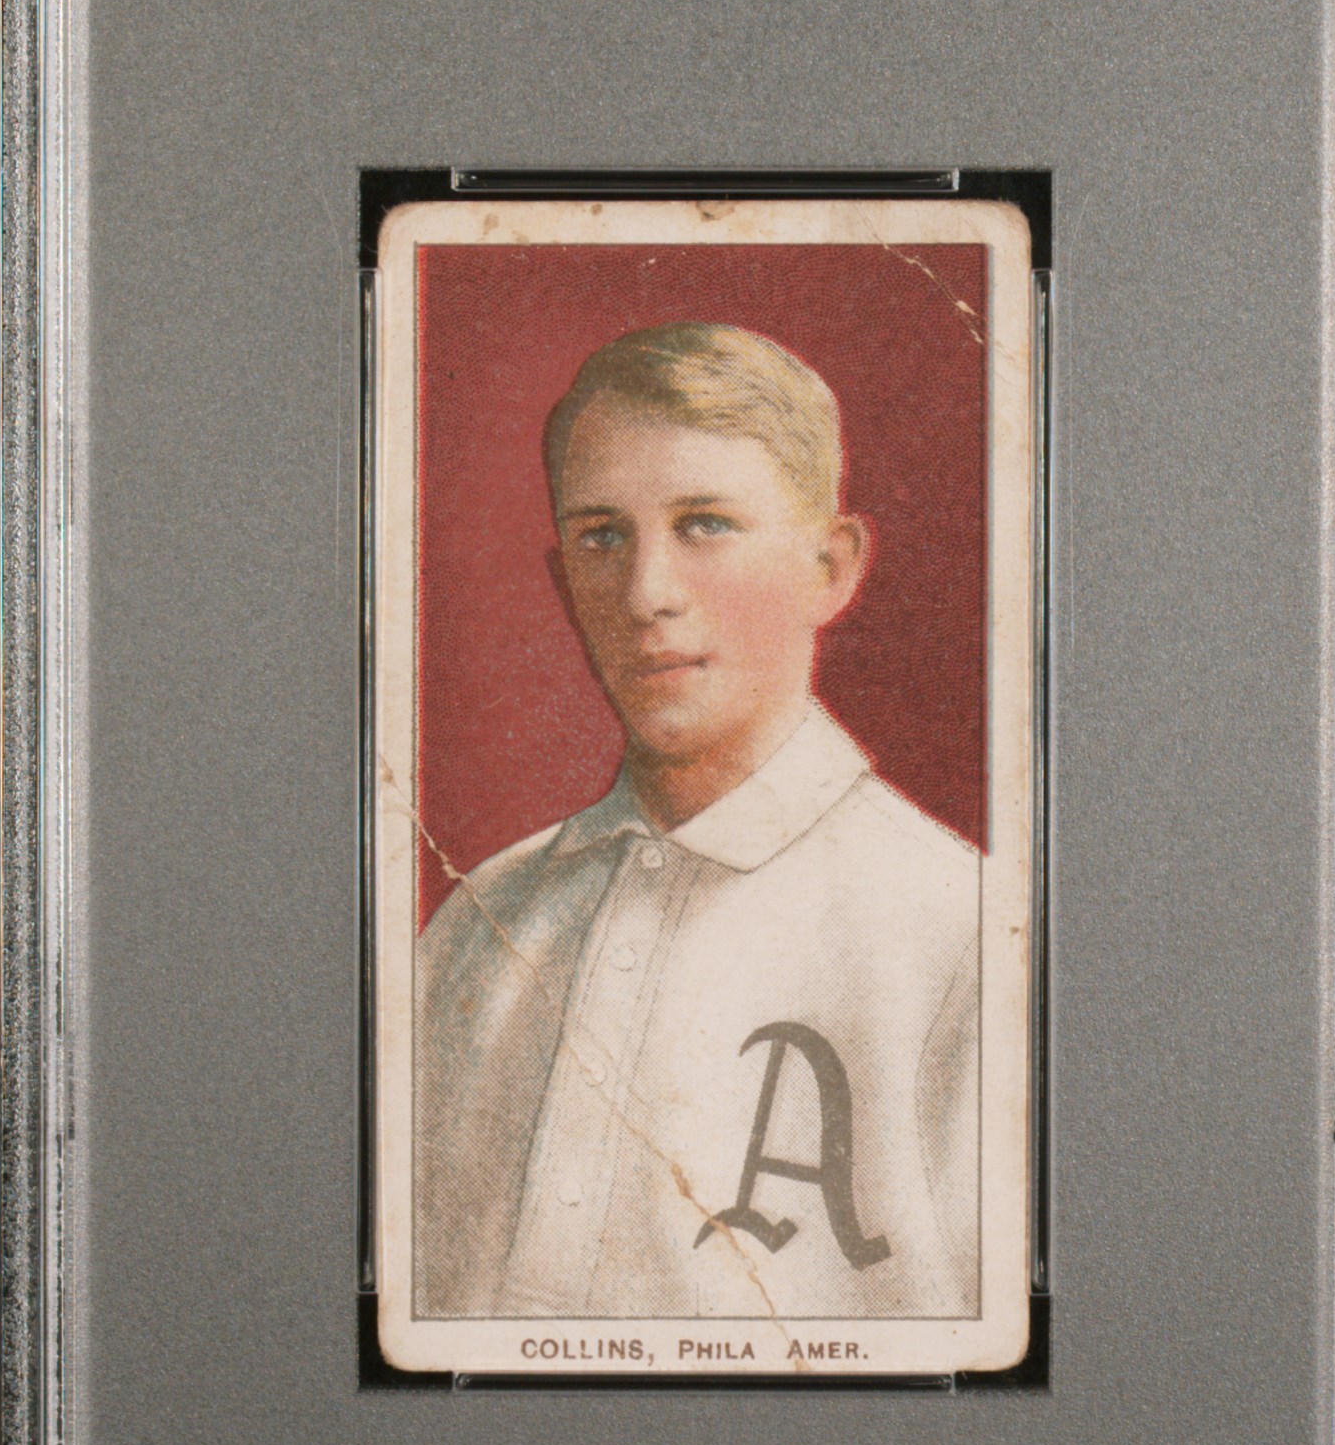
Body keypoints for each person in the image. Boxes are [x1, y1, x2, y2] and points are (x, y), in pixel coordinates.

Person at [414, 322, 981, 1324]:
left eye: (706, 524)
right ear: (562, 580)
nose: (647, 594)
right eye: (602, 536)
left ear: (831, 567)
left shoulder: (967, 934)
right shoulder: (481, 923)